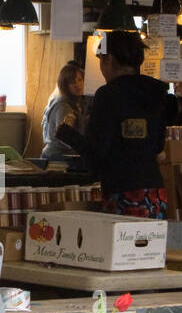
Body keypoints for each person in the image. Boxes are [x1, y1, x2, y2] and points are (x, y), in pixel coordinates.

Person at [63, 30, 170, 218]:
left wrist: (68, 135)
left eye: (101, 62)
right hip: (155, 191)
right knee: (150, 245)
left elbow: (98, 153)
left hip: (122, 190)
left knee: (123, 246)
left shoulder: (108, 94)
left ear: (109, 59)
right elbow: (159, 145)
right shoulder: (158, 92)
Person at [40, 61, 88, 162]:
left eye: (79, 80)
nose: (77, 85)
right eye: (72, 82)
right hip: (57, 157)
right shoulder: (63, 106)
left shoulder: (68, 102)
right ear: (65, 85)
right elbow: (63, 136)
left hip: (57, 155)